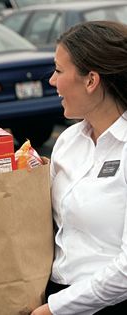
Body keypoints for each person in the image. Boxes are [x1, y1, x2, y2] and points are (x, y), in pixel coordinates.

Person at [31, 21, 127, 315]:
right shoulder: (68, 141)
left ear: (91, 80)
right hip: (54, 294)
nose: (51, 81)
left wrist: (56, 309)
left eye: (59, 71)